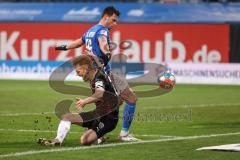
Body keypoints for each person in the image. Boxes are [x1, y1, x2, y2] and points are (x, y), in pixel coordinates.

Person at [55, 6, 138, 141]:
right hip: (105, 74)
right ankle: (121, 134)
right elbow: (104, 48)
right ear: (106, 17)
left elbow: (76, 43)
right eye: (113, 20)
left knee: (116, 100)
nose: (115, 24)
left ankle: (99, 131)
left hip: (95, 76)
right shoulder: (102, 31)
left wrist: (61, 47)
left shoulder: (90, 30)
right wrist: (107, 54)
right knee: (130, 98)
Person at [38, 55, 120, 146]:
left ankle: (99, 136)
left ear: (86, 68)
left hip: (108, 118)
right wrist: (92, 56)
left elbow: (99, 94)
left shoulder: (99, 78)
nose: (77, 74)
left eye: (78, 71)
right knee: (67, 117)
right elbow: (100, 64)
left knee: (84, 140)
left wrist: (84, 101)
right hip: (97, 114)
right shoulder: (96, 74)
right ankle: (58, 140)